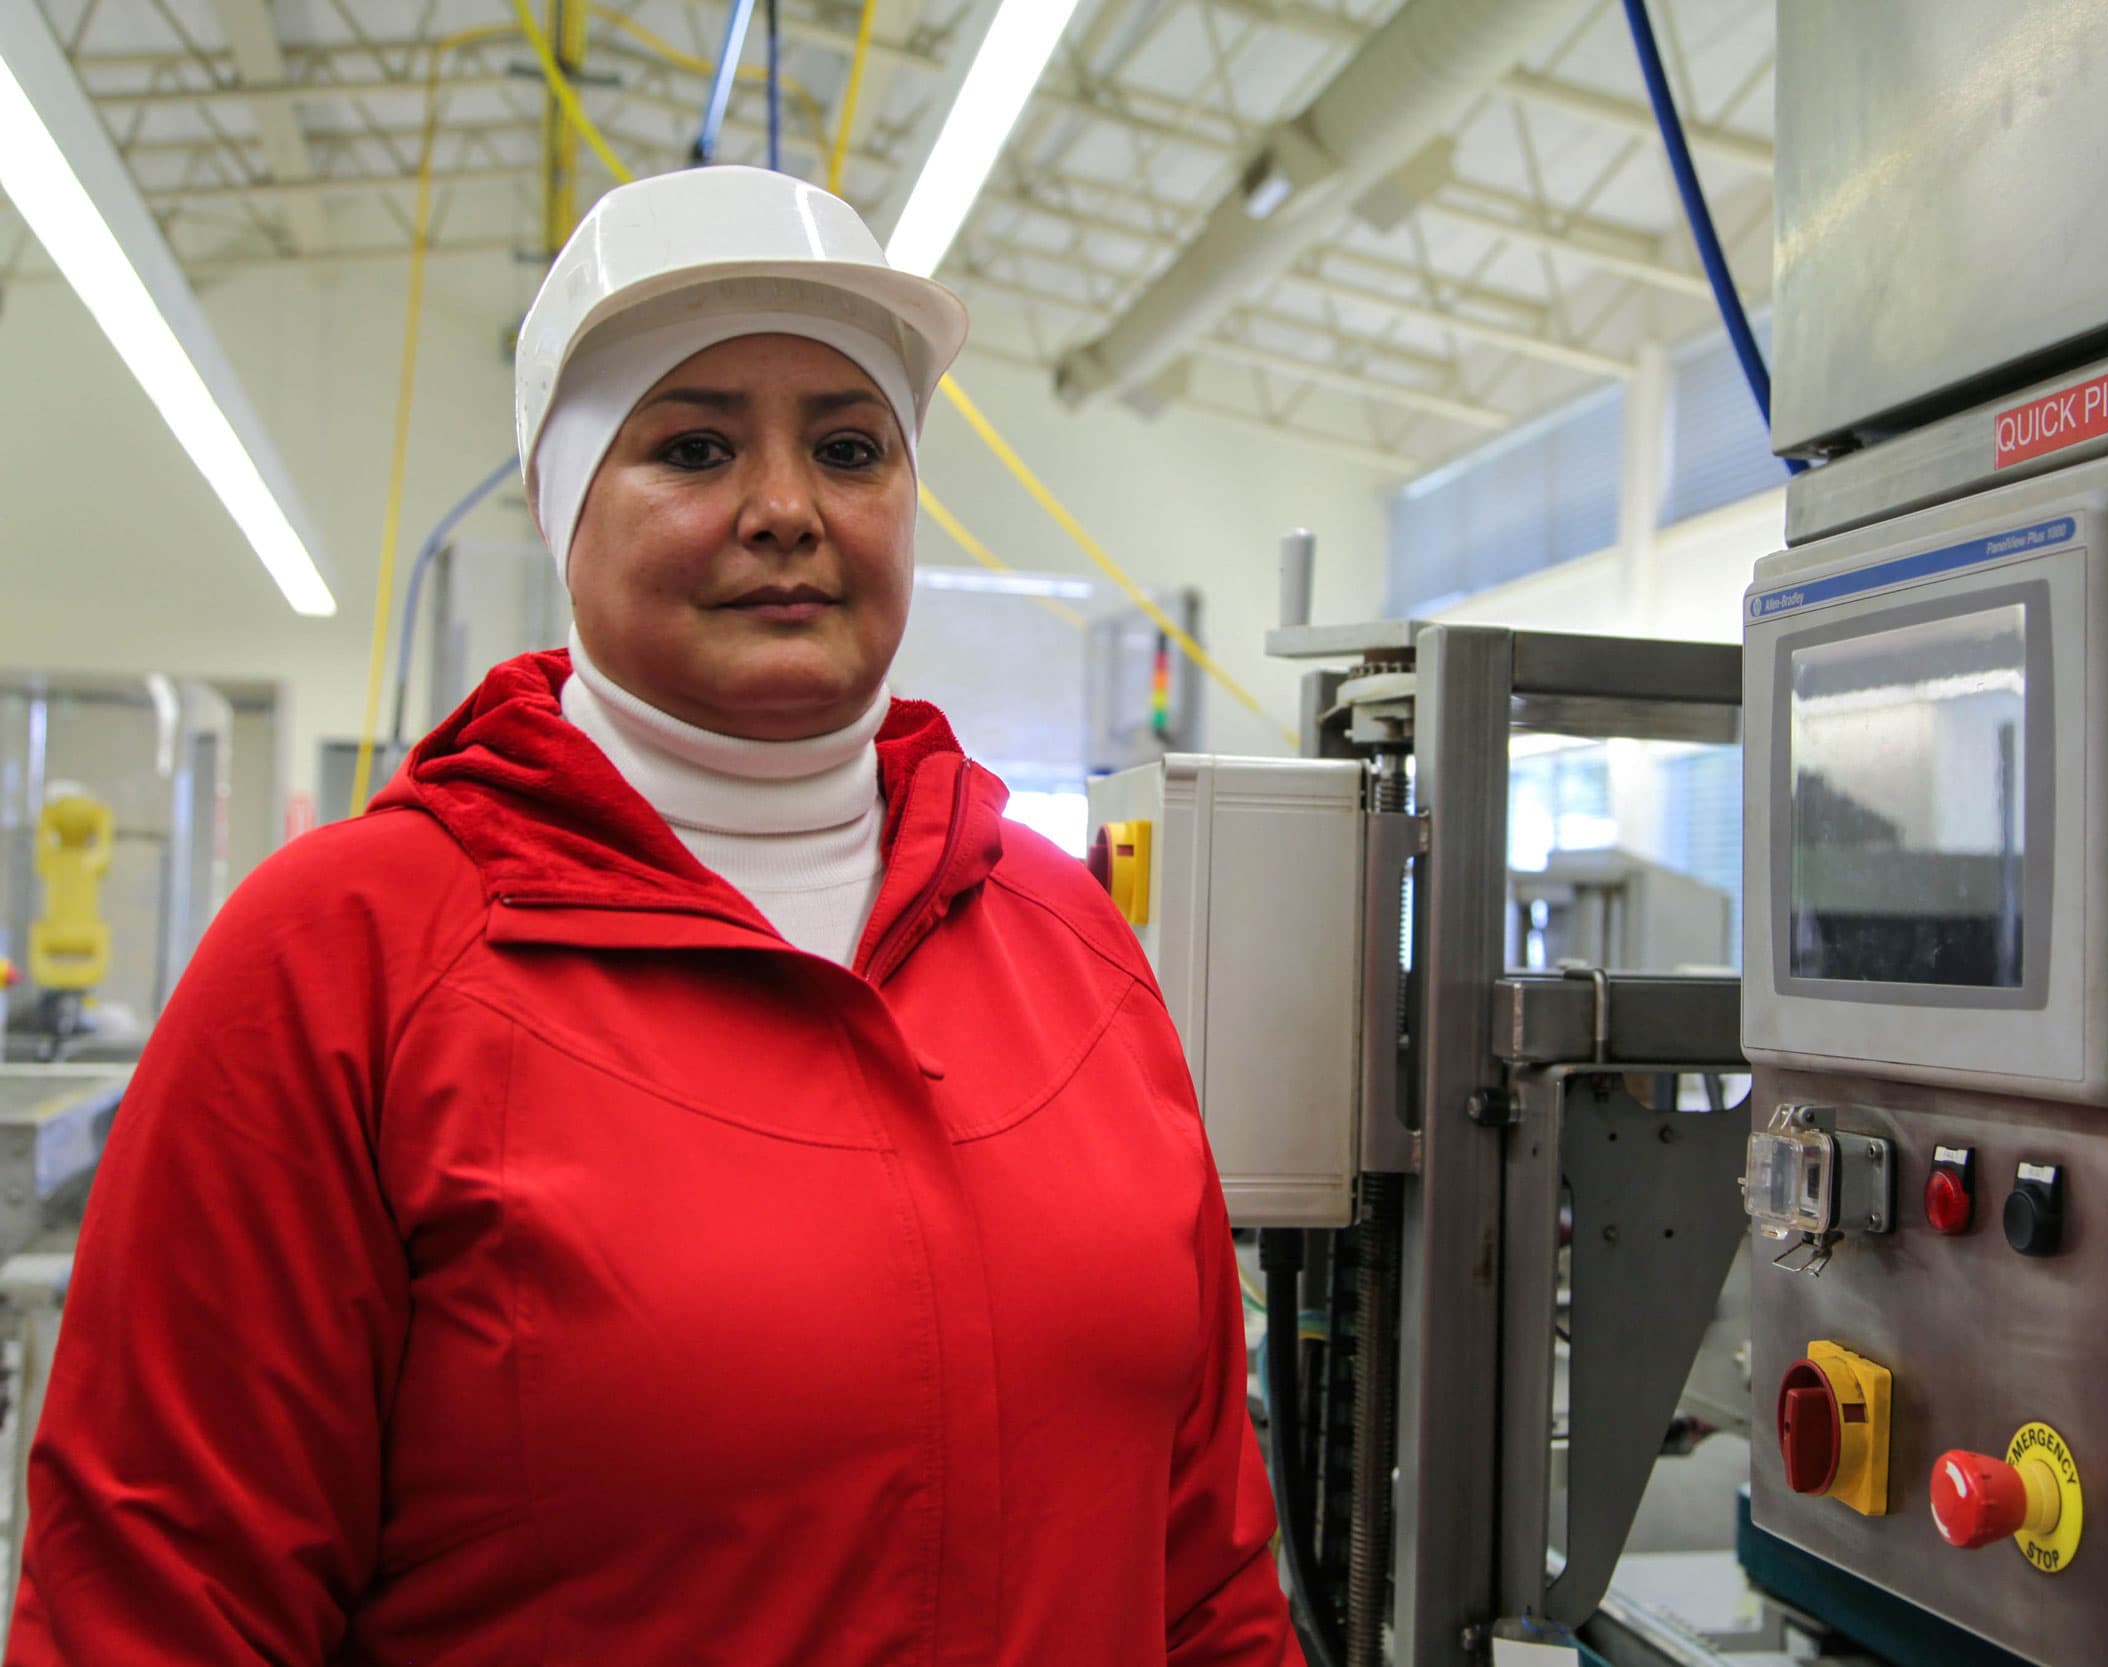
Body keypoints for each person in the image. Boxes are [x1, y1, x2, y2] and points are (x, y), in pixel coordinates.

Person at [4, 165, 1299, 1667]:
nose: (785, 509)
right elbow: (161, 1607)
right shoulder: (345, 957)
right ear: (565, 507)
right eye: (692, 445)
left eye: (851, 445)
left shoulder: (1068, 945)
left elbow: (1206, 1576)